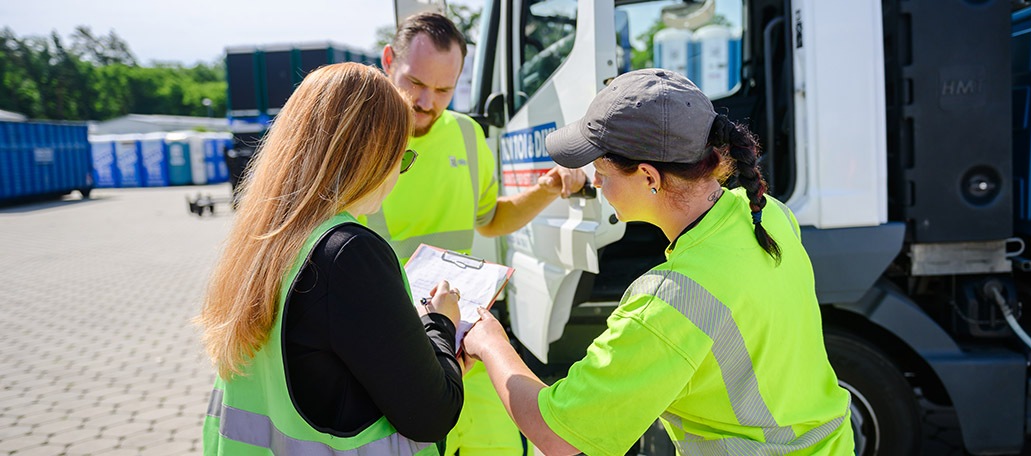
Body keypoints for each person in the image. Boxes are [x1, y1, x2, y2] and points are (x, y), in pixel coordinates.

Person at [463, 69, 856, 455]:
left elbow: (560, 437)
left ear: (649, 176)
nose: (596, 184)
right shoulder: (768, 214)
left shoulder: (671, 301)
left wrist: (489, 339)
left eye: (601, 171)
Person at [196, 62, 465, 455]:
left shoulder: (264, 240)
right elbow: (433, 412)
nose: (397, 174)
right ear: (371, 155)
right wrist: (441, 326)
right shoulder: (349, 253)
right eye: (400, 157)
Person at [371, 12, 587, 455]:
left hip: (460, 335)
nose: (427, 102)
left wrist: (546, 190)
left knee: (500, 443)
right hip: (387, 340)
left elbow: (490, 218)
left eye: (444, 90)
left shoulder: (468, 136)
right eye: (415, 83)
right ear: (389, 60)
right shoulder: (359, 142)